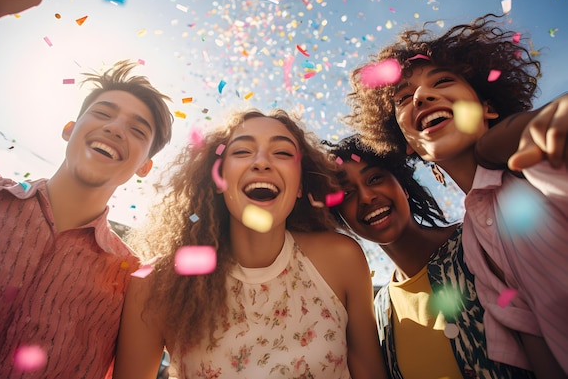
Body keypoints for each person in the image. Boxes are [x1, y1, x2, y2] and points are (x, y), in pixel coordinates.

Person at [0, 0, 174, 378]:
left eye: (137, 130)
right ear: (70, 129)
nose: (115, 128)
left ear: (145, 166)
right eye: (103, 112)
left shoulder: (134, 284)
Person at [345, 13, 568, 378]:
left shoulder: (542, 170)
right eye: (403, 98)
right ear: (407, 146)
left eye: (443, 80)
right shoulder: (477, 247)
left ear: (489, 107)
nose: (420, 96)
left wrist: (527, 127)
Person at [114, 109, 387, 379]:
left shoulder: (341, 260)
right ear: (219, 179)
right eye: (242, 151)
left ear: (301, 185)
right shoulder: (155, 284)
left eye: (281, 153)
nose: (262, 162)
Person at [325, 134, 535, 379]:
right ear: (343, 221)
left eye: (375, 178)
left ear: (402, 185)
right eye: (347, 194)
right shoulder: (379, 315)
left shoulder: (480, 240)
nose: (367, 197)